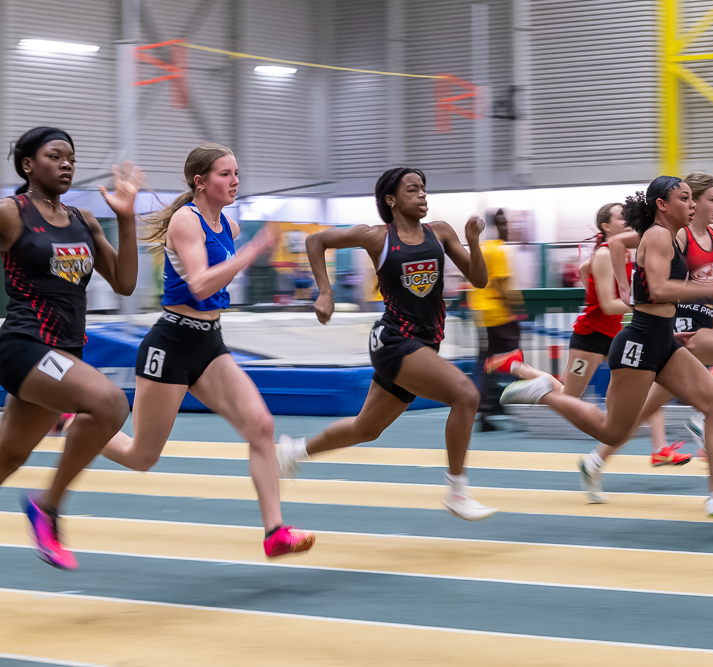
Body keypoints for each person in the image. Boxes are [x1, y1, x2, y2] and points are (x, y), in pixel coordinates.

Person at [500, 177, 713, 519]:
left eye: (693, 198)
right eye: (685, 198)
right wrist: (702, 287)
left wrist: (636, 290)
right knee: (612, 430)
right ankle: (544, 393)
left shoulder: (673, 236)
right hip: (639, 343)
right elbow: (658, 288)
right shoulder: (657, 234)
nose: (692, 204)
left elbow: (632, 262)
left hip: (665, 341)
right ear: (662, 205)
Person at [101, 143, 316, 558]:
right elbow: (200, 285)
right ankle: (74, 425)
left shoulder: (228, 226)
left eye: (236, 173)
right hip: (171, 344)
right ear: (200, 182)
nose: (235, 181)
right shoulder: (186, 220)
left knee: (261, 426)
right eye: (225, 174)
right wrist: (252, 251)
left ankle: (275, 532)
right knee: (142, 456)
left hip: (209, 343)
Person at [276, 167, 496, 521]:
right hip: (394, 340)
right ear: (391, 200)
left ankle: (293, 451)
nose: (422, 194)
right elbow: (315, 242)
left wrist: (472, 241)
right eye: (413, 189)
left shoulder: (440, 232)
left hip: (424, 345)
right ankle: (457, 491)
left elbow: (479, 279)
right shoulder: (376, 237)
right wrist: (326, 292)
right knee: (466, 395)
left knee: (366, 428)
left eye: (424, 188)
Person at [0, 127, 144, 569]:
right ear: (28, 164)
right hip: (24, 345)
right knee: (110, 403)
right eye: (55, 155)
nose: (66, 164)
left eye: (72, 158)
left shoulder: (84, 220)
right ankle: (47, 506)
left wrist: (126, 218)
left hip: (64, 353)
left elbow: (124, 282)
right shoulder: (11, 213)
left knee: (8, 456)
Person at [485, 203, 687, 467]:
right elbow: (608, 305)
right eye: (621, 217)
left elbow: (583, 268)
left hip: (615, 335)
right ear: (606, 226)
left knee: (646, 387)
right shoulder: (604, 254)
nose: (627, 221)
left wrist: (591, 284)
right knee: (569, 397)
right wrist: (645, 305)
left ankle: (659, 448)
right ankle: (518, 367)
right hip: (591, 337)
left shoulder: (623, 253)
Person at [607, 173, 713, 469]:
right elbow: (618, 243)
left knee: (644, 407)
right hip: (680, 325)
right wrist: (623, 286)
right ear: (693, 201)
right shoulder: (675, 234)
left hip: (699, 324)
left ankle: (599, 457)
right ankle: (706, 420)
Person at [469, 209, 522, 431]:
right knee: (515, 360)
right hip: (499, 313)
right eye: (504, 224)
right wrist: (515, 309)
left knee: (486, 362)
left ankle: (484, 409)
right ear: (498, 225)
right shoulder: (499, 250)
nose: (507, 228)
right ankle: (520, 406)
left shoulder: (482, 249)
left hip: (482, 313)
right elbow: (502, 285)